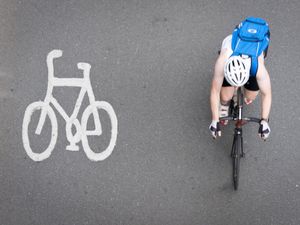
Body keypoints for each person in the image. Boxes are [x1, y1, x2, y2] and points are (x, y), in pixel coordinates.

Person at [209, 17, 271, 140]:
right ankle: (226, 104)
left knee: (250, 96)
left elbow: (267, 94)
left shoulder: (258, 67)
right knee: (225, 96)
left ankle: (240, 95)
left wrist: (265, 121)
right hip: (231, 52)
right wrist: (215, 119)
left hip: (252, 60)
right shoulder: (222, 62)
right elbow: (214, 91)